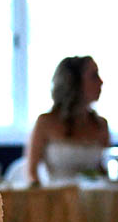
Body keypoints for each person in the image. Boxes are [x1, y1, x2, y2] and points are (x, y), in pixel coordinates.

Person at [22, 56, 111, 185]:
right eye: (94, 76)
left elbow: (102, 171)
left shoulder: (101, 125)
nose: (101, 82)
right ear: (75, 82)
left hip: (94, 200)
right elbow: (32, 173)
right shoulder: (45, 122)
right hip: (57, 200)